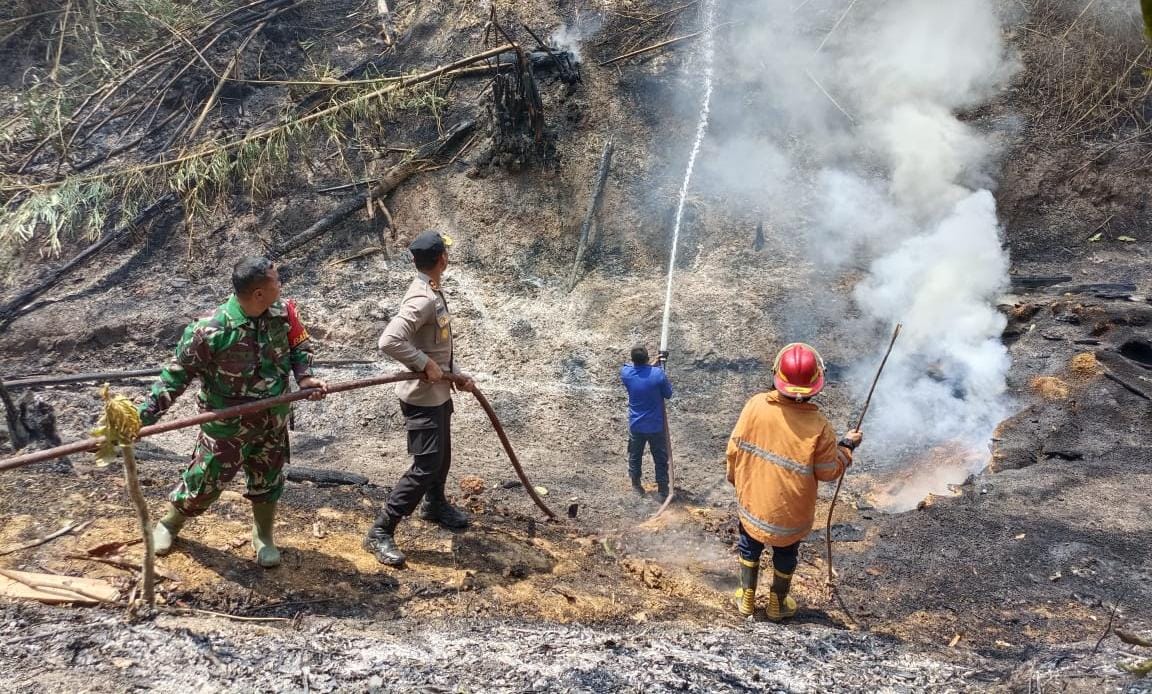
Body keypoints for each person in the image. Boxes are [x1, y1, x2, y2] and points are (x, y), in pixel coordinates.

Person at [139, 257, 327, 568]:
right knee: (205, 481)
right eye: (276, 282)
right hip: (227, 427)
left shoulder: (284, 312)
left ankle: (263, 536)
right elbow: (175, 376)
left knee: (268, 481)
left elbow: (299, 347)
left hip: (272, 421)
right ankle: (170, 524)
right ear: (258, 294)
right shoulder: (210, 330)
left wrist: (305, 376)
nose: (281, 286)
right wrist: (142, 417)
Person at [726, 343, 863, 620]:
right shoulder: (819, 426)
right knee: (786, 554)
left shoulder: (755, 406)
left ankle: (747, 598)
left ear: (777, 374)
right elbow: (828, 471)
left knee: (749, 545)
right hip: (791, 515)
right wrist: (846, 447)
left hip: (753, 505)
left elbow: (733, 450)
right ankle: (777, 603)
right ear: (817, 384)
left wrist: (737, 481)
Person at [364, 230, 476, 567]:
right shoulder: (422, 298)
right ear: (442, 259)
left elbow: (438, 343)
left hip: (438, 391)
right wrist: (424, 364)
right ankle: (381, 530)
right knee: (425, 464)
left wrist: (455, 372)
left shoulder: (433, 290)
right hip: (422, 397)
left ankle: (435, 505)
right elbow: (389, 340)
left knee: (442, 458)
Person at [619, 345, 672, 498]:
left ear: (633, 360)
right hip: (655, 426)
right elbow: (668, 394)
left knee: (635, 456)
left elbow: (640, 370)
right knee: (660, 458)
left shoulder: (626, 373)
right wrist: (661, 366)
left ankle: (636, 486)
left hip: (636, 426)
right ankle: (663, 490)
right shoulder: (658, 375)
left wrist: (656, 362)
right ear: (647, 359)